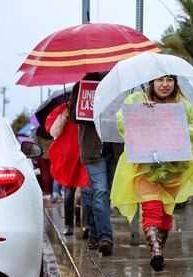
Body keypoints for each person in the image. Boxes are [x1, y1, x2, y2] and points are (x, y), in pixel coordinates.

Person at [110, 75, 193, 271]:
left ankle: (158, 250)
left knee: (165, 212)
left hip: (174, 170)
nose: (165, 84)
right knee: (151, 207)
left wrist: (177, 125)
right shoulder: (136, 100)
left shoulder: (183, 105)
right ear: (151, 83)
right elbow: (122, 122)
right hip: (144, 169)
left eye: (169, 80)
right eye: (160, 80)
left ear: (175, 83)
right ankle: (156, 252)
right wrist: (140, 112)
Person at [68, 73, 123, 256]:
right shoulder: (81, 84)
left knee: (104, 196)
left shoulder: (117, 83)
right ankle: (105, 238)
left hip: (114, 148)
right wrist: (85, 105)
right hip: (93, 150)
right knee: (100, 192)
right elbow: (73, 117)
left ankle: (93, 233)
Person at [45, 103, 91, 237]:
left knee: (86, 190)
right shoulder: (62, 109)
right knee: (69, 191)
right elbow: (53, 132)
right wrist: (64, 116)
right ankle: (68, 225)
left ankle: (86, 225)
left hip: (84, 153)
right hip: (68, 157)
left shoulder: (86, 107)